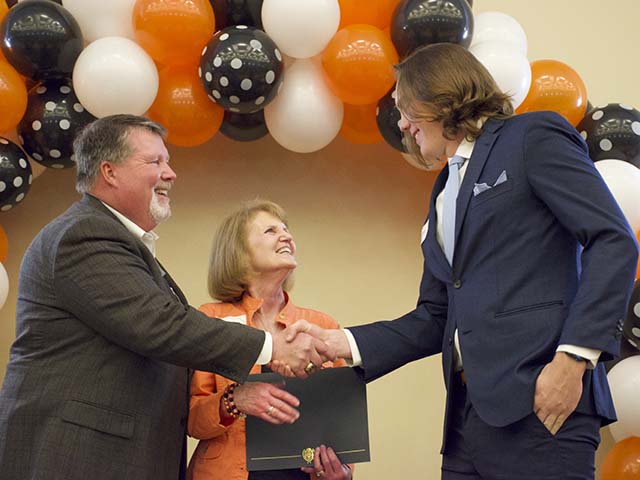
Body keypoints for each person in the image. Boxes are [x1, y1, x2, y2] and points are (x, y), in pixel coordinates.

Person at [281, 43, 639, 479]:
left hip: (542, 405)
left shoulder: (532, 136)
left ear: (438, 93)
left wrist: (572, 361)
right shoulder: (441, 192)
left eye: (403, 107)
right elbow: (434, 316)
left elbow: (613, 239)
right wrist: (342, 342)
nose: (403, 124)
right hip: (466, 423)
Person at [0, 115, 332, 480]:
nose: (171, 173)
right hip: (80, 455)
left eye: (168, 161)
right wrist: (270, 349)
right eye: (155, 161)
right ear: (109, 171)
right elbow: (160, 324)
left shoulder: (116, 242)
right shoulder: (84, 234)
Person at [188, 200, 352, 480]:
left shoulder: (323, 326)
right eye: (271, 231)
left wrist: (342, 472)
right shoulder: (211, 319)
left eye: (287, 230)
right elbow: (192, 420)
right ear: (239, 252)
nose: (286, 236)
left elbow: (342, 421)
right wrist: (235, 399)